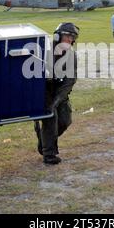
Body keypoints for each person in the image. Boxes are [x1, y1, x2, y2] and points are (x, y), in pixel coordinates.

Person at [35, 23, 79, 165]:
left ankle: (43, 141)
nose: (70, 40)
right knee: (51, 119)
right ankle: (49, 154)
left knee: (65, 120)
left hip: (60, 92)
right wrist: (50, 102)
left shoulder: (71, 55)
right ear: (58, 36)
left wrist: (58, 99)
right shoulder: (44, 51)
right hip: (44, 90)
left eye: (72, 38)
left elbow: (69, 81)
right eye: (67, 36)